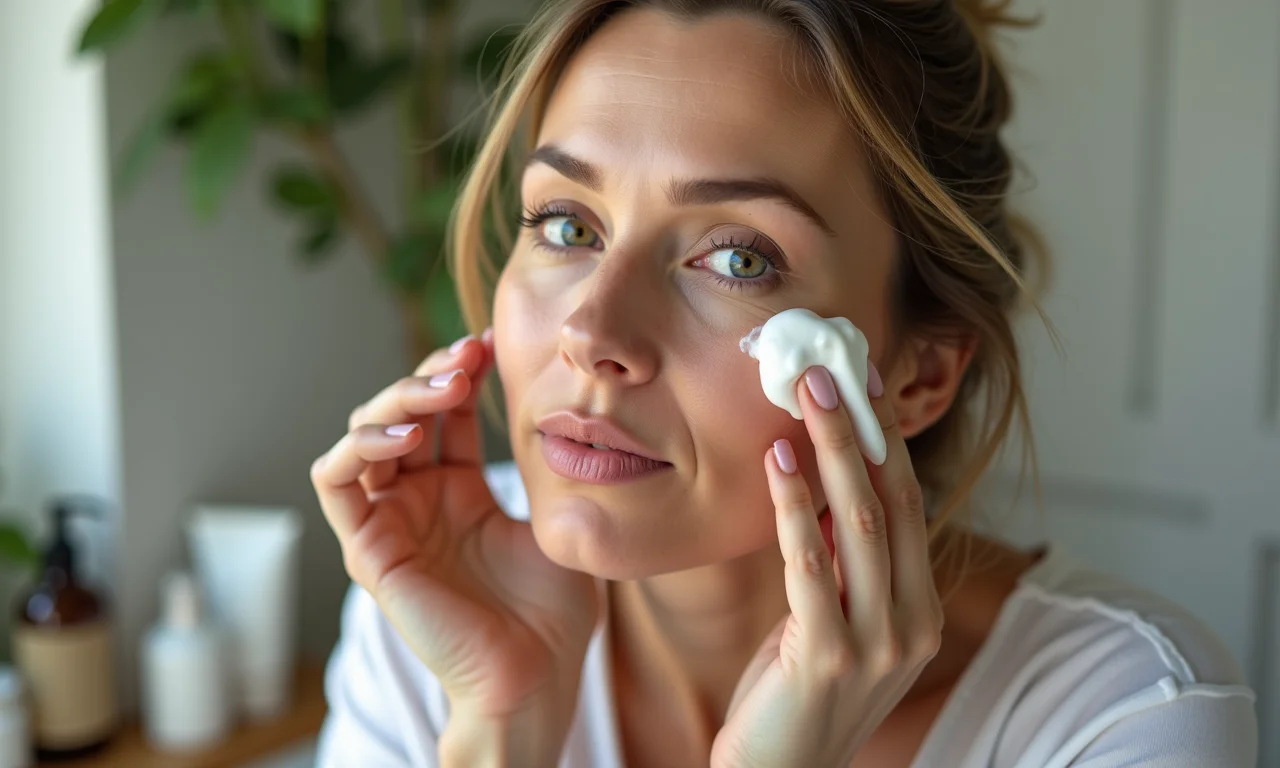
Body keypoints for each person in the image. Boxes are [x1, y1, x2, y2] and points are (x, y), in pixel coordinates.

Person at [309, 1, 1258, 765]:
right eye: (567, 225)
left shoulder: (1125, 717)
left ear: (917, 375)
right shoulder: (437, 607)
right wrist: (501, 728)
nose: (592, 333)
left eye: (737, 260)